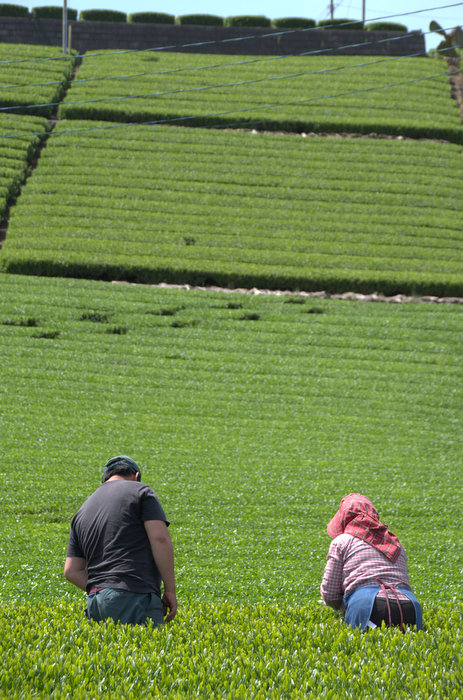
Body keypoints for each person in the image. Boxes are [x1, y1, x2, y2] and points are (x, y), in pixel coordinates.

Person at [64, 455, 177, 626]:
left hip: (96, 602)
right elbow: (160, 538)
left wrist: (104, 587)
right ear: (136, 476)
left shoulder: (82, 511)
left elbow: (71, 571)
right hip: (134, 596)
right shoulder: (141, 492)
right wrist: (170, 590)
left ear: (105, 479)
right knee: (142, 651)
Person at [320, 493, 423, 631]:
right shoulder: (395, 543)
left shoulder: (342, 542)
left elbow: (330, 594)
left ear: (344, 518)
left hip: (368, 606)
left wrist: (342, 608)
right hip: (411, 606)